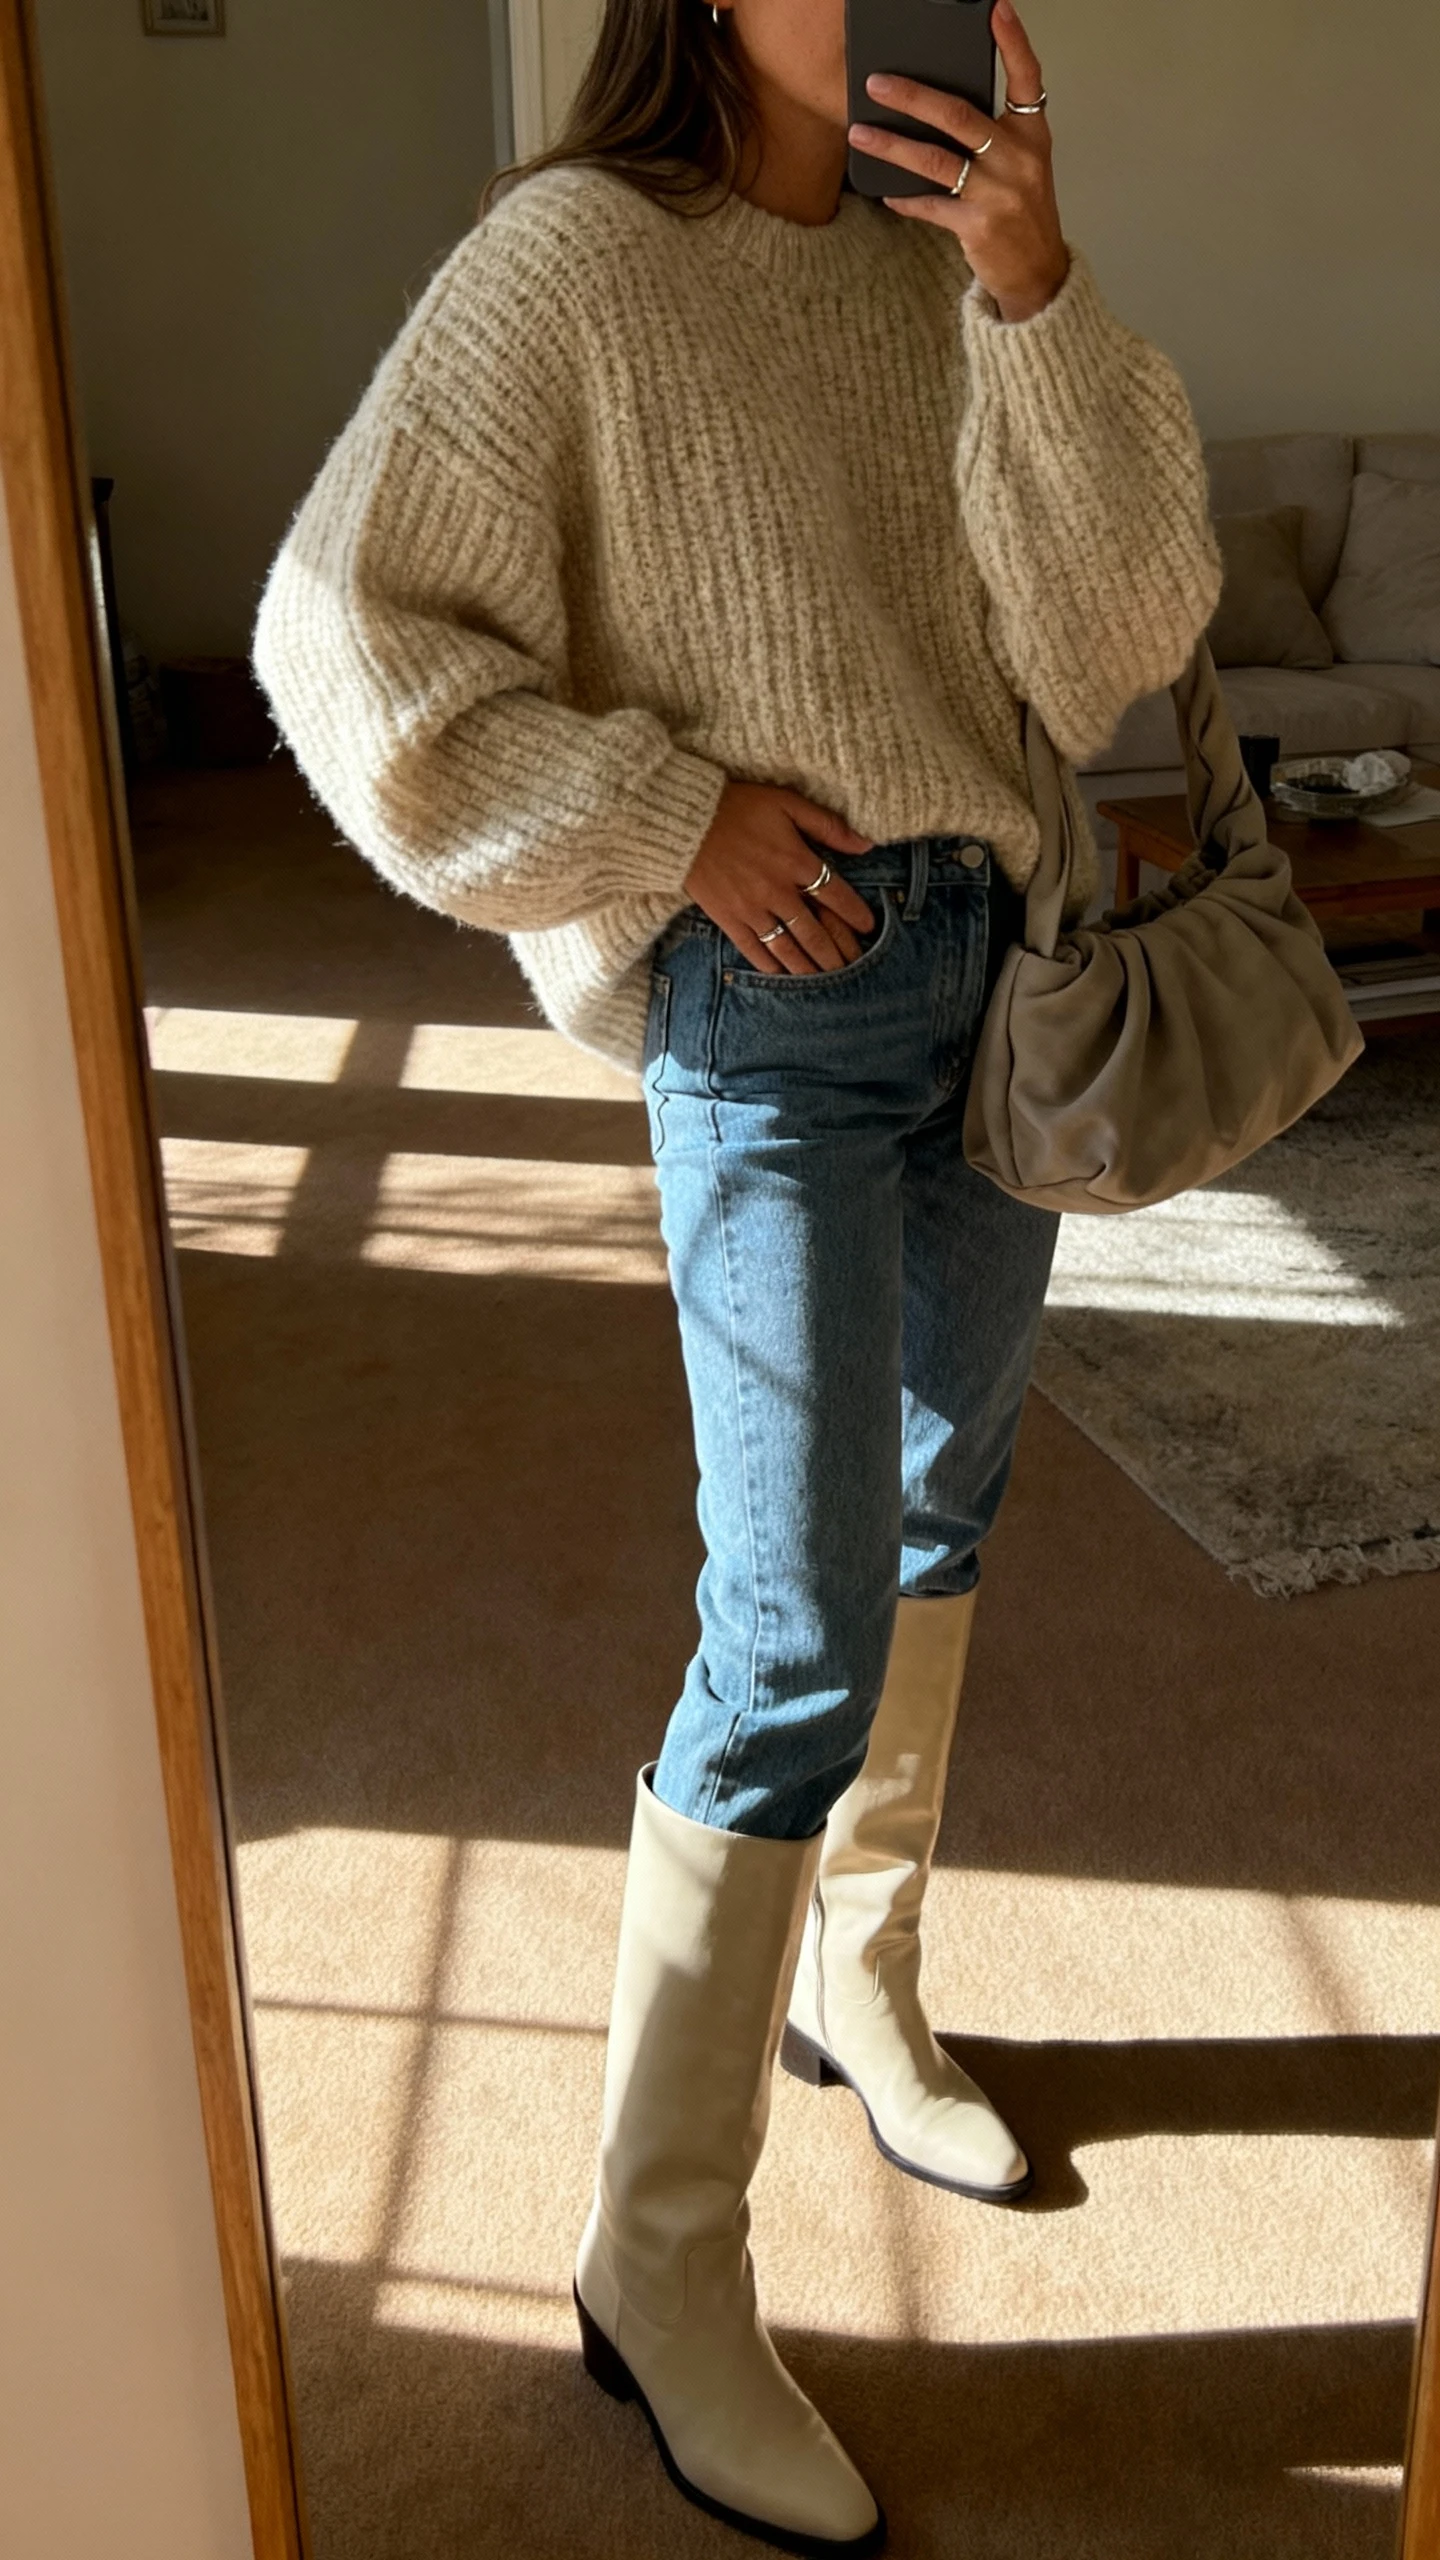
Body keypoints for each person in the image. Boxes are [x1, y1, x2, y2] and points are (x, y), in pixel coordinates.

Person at [255, 1, 1220, 2546]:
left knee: (939, 1511)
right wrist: (658, 818)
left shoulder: (951, 268)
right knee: (790, 1617)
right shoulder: (573, 264)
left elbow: (1117, 628)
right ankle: (654, 2251)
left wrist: (1033, 288)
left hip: (1001, 980)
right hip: (771, 1000)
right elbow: (342, 635)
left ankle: (860, 1983)